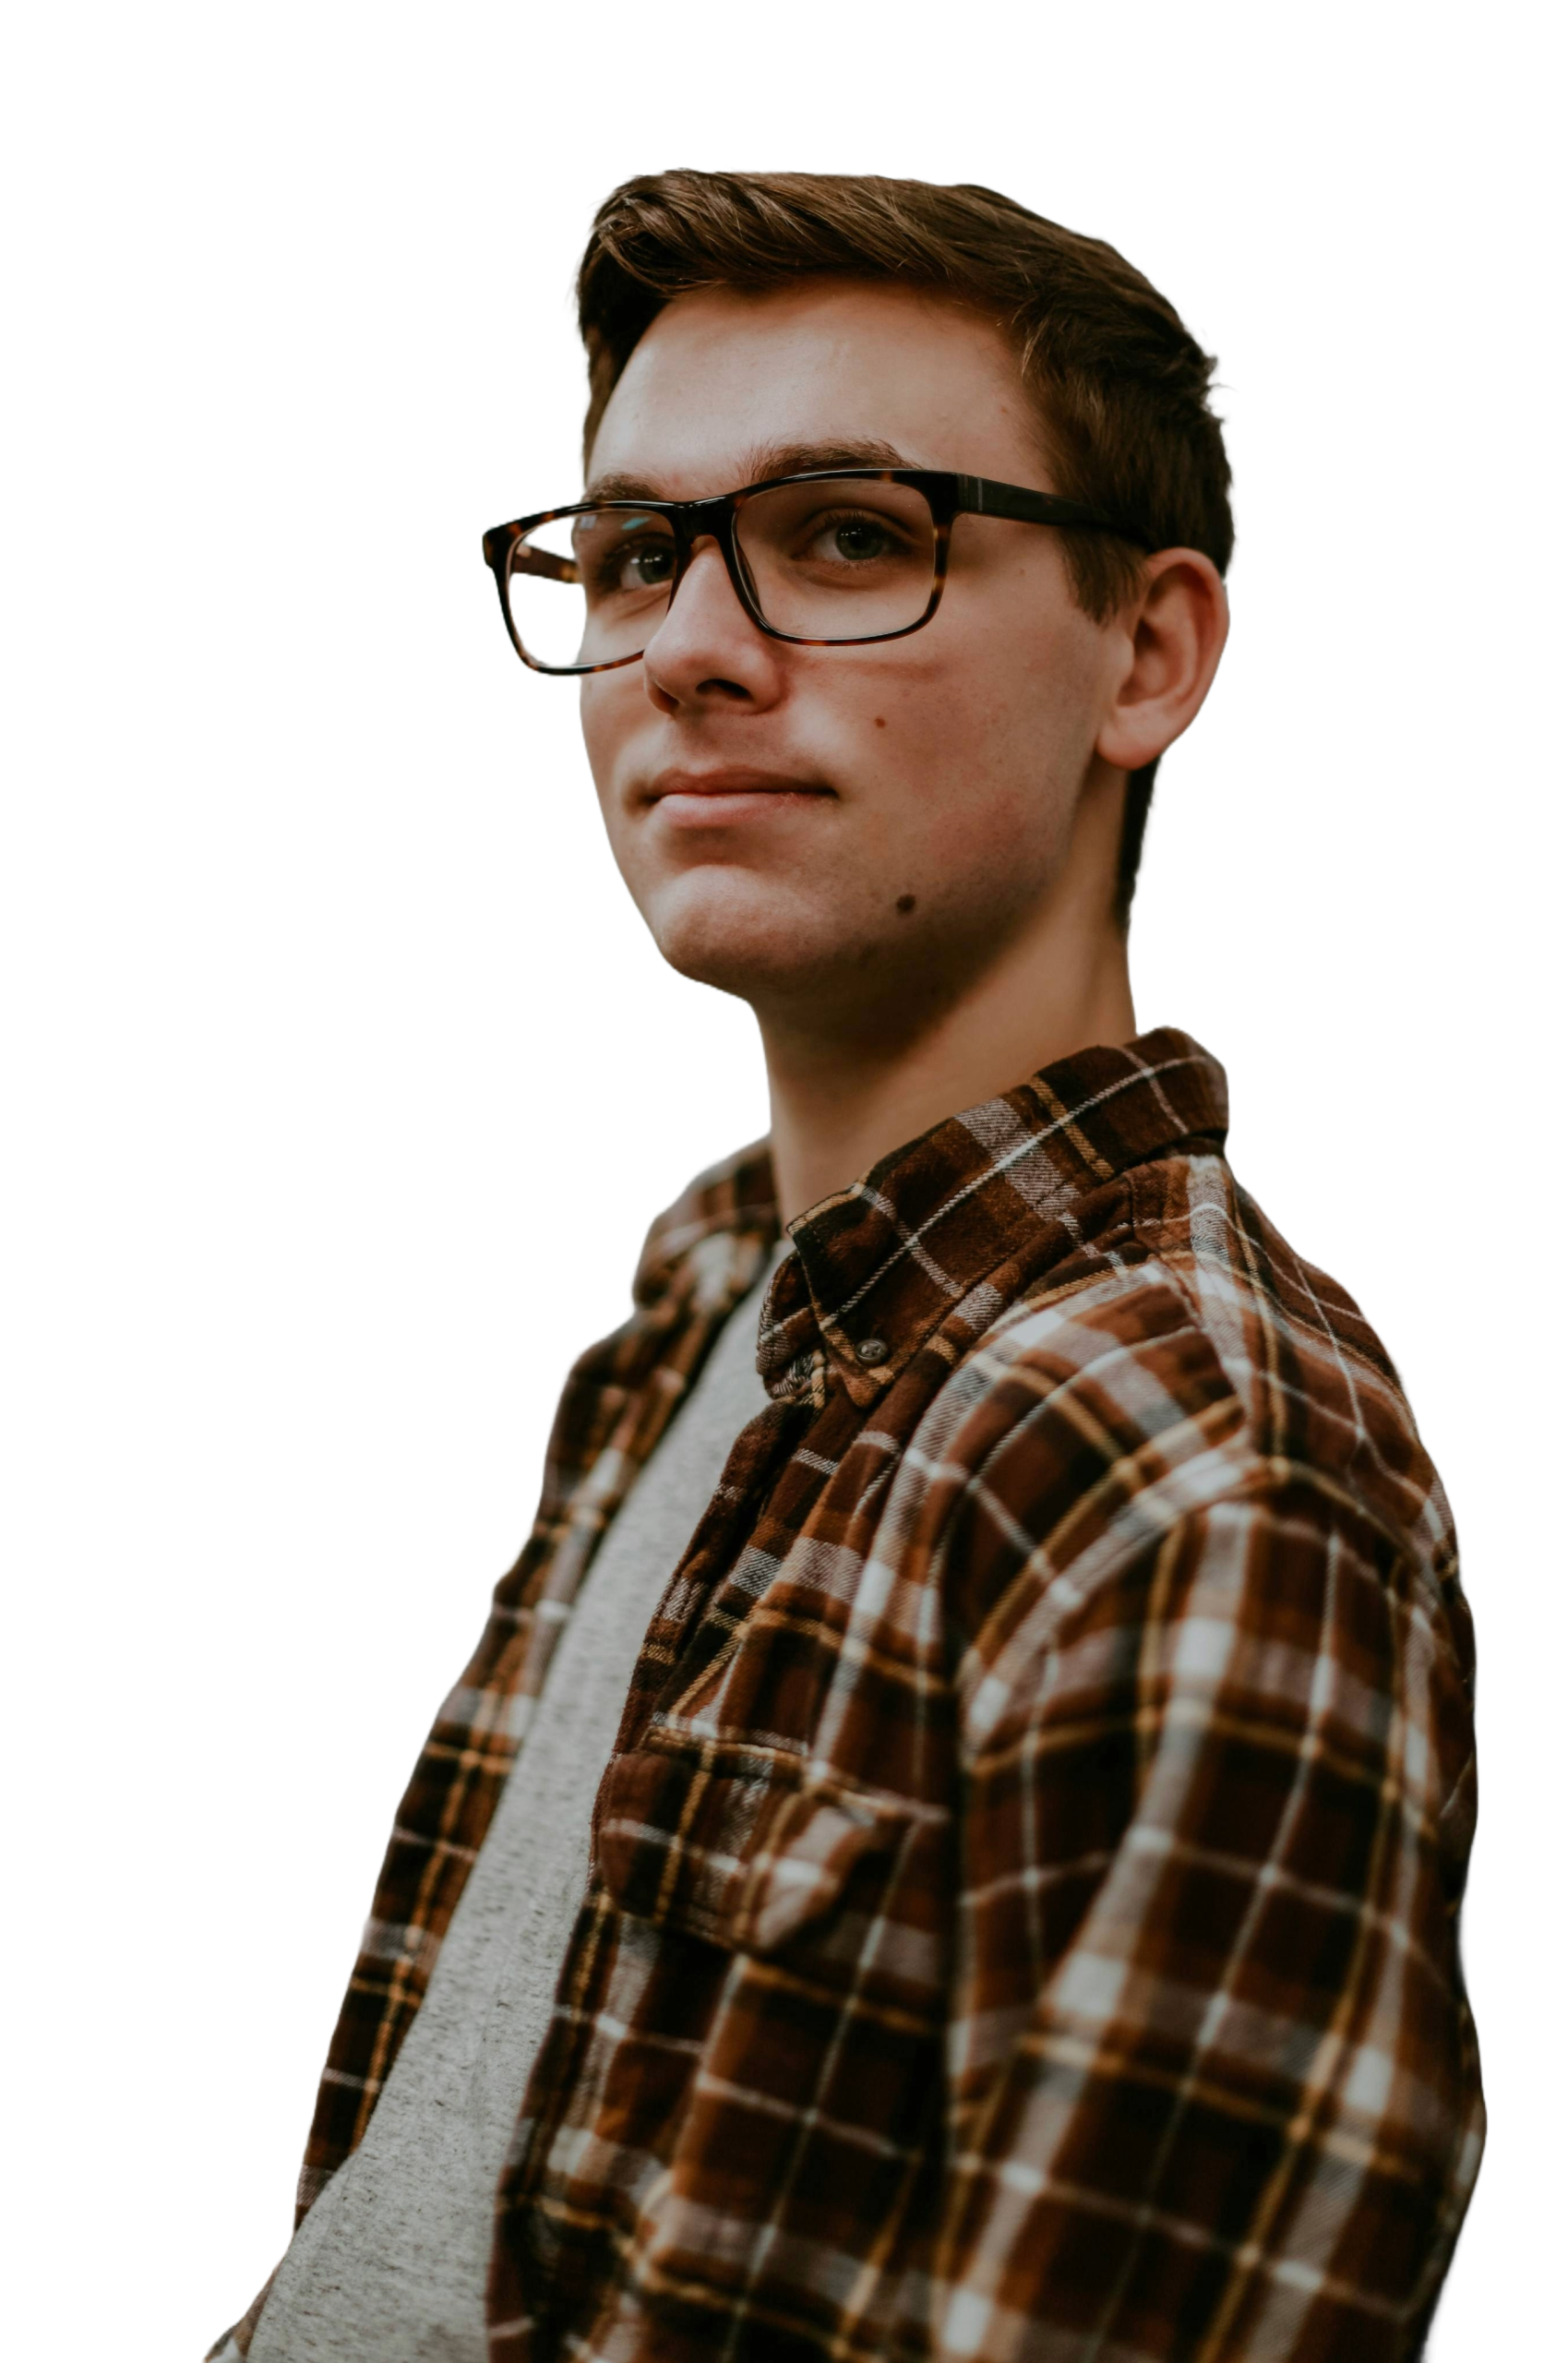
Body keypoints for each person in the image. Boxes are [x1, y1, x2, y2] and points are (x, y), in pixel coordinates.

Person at [209, 167, 1482, 2363]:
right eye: (626, 553)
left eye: (850, 537)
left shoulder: (1186, 1473)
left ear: (1149, 653)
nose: (687, 645)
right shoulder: (706, 1289)